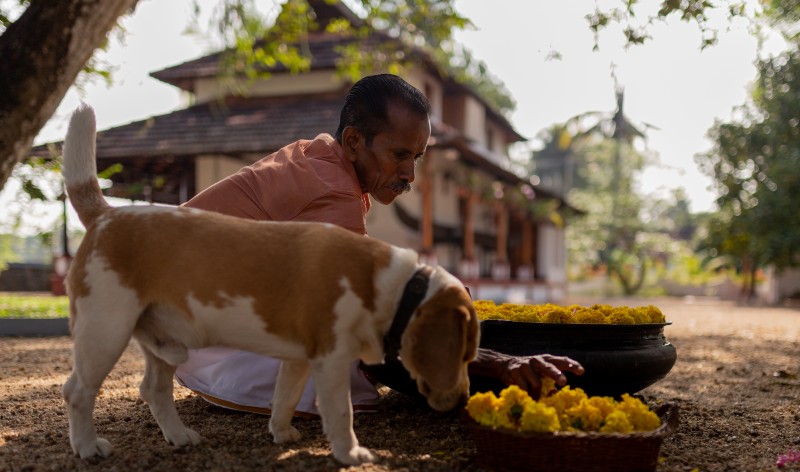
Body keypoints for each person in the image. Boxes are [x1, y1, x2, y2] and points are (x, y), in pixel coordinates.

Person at [174, 74, 583, 416]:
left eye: (417, 157)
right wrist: (501, 363)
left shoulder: (322, 157)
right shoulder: (332, 189)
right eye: (399, 154)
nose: (408, 173)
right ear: (354, 142)